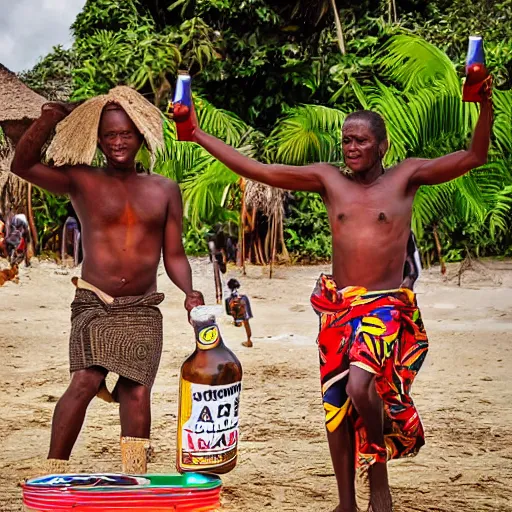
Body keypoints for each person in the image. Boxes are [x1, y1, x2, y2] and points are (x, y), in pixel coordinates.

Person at [174, 82, 493, 511]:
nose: (351, 147)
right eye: (346, 140)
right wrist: (194, 133)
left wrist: (485, 103)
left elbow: (473, 157)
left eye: (361, 140)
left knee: (363, 383)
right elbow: (260, 170)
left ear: (383, 145)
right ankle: (346, 503)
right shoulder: (328, 180)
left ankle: (377, 472)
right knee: (337, 404)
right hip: (338, 308)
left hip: (383, 305)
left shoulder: (406, 177)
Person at [11, 86, 205, 475]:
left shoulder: (164, 189)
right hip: (93, 302)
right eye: (110, 135)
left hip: (142, 308)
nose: (118, 142)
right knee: (86, 379)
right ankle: (54, 472)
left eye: (125, 134)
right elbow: (23, 165)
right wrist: (49, 118)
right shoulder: (81, 180)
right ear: (98, 141)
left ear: (141, 137)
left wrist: (190, 291)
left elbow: (175, 255)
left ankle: (135, 476)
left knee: (136, 390)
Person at [225, 278, 254, 347]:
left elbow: (228, 312)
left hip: (235, 312)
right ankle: (249, 340)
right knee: (246, 322)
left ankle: (237, 320)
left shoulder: (228, 299)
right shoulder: (244, 297)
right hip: (243, 306)